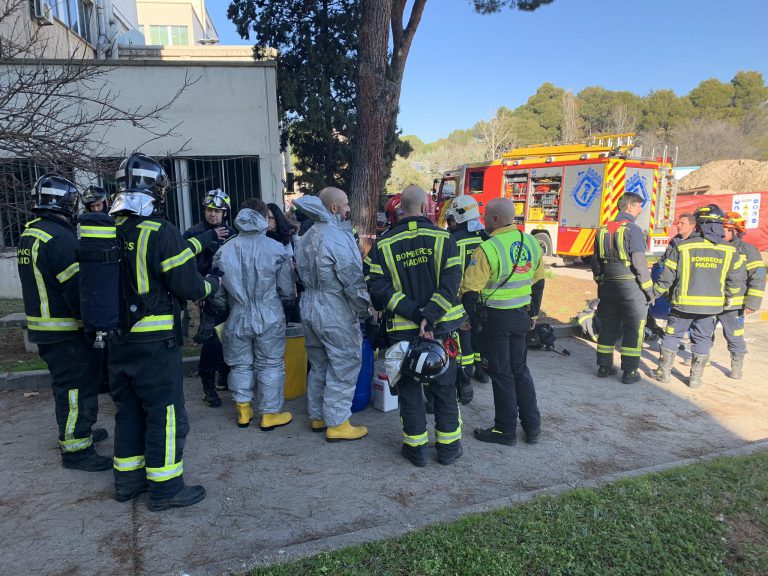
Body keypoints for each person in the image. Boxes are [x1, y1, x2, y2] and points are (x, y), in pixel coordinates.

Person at [109, 153, 220, 511]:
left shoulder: (106, 230)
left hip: (116, 341)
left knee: (128, 411)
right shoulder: (161, 231)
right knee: (166, 414)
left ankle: (127, 482)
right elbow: (188, 286)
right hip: (155, 343)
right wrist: (212, 284)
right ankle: (166, 489)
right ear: (155, 188)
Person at [17, 174, 111, 472]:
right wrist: (94, 320)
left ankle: (80, 433)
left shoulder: (32, 233)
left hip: (45, 329)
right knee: (75, 389)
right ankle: (76, 449)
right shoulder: (61, 239)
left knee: (68, 386)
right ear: (68, 203)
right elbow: (77, 289)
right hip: (65, 330)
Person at [367, 185, 466, 466]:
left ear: (400, 209)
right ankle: (448, 450)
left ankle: (417, 450)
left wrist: (414, 312)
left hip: (401, 330)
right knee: (445, 387)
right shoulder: (445, 239)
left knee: (408, 389)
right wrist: (430, 315)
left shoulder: (383, 244)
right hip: (442, 329)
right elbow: (451, 283)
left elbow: (377, 288)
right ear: (425, 207)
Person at [459, 197, 543, 446]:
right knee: (521, 371)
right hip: (521, 317)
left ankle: (505, 430)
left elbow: (470, 291)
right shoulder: (530, 241)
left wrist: (468, 320)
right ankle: (532, 427)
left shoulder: (488, 248)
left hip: (496, 320)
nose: (483, 221)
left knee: (502, 374)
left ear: (495, 219)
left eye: (485, 216)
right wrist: (533, 315)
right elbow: (539, 282)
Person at [293, 189, 371, 442]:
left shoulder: (306, 236)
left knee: (319, 364)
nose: (349, 209)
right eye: (346, 204)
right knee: (344, 363)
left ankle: (317, 416)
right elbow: (351, 278)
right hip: (334, 308)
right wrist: (365, 309)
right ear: (335, 208)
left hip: (309, 305)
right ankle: (337, 423)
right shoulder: (338, 237)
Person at [211, 198, 295, 430]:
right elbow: (286, 289)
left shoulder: (224, 250)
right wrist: (286, 303)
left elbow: (217, 291)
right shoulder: (276, 249)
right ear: (261, 216)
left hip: (237, 314)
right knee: (270, 364)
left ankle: (243, 410)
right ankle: (269, 414)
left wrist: (224, 306)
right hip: (269, 313)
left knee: (239, 364)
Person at [652, 204, 744, 388]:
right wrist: (727, 299)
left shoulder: (683, 247)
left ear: (698, 224)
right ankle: (694, 379)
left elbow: (666, 277)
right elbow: (735, 281)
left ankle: (664, 374)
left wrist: (653, 294)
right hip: (712, 308)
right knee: (702, 339)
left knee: (672, 336)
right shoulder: (730, 250)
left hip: (682, 306)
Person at [591, 192, 654, 384]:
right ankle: (629, 372)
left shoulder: (602, 230)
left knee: (608, 325)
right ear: (629, 207)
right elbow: (639, 262)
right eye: (638, 206)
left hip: (608, 286)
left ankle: (604, 366)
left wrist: (601, 281)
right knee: (634, 328)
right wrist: (648, 290)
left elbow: (595, 262)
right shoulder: (633, 230)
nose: (640, 210)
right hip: (630, 287)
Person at [183, 189, 236, 408]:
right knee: (211, 341)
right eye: (209, 210)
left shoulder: (233, 233)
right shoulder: (193, 233)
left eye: (217, 211)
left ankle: (224, 376)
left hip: (231, 294)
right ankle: (209, 388)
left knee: (230, 337)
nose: (213, 214)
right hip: (207, 296)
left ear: (225, 212)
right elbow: (184, 265)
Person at [447, 195, 489, 405]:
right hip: (485, 300)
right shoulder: (487, 237)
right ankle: (481, 371)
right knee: (480, 337)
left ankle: (464, 381)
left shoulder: (452, 240)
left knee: (463, 343)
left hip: (461, 300)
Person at [716, 211, 765, 379]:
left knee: (734, 334)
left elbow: (758, 277)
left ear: (735, 231)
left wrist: (752, 303)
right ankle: (702, 360)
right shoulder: (715, 246)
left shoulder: (749, 251)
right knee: (703, 331)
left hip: (734, 304)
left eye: (725, 229)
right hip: (712, 300)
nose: (721, 232)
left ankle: (736, 364)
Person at [266, 202, 300, 322]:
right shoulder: (263, 238)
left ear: (277, 218)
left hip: (292, 284)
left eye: (270, 218)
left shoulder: (289, 234)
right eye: (265, 217)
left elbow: (296, 255)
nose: (267, 221)